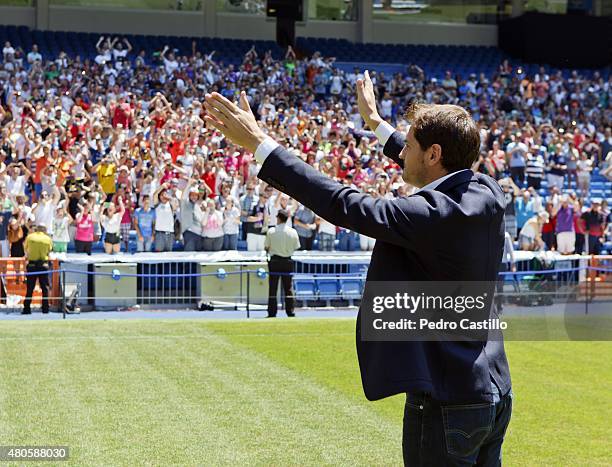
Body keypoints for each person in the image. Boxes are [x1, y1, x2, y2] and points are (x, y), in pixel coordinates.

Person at [203, 69, 512, 465]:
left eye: (411, 145)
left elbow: (344, 203)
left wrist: (261, 145)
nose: (402, 152)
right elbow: (432, 161)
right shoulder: (486, 191)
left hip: (447, 399)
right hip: (494, 391)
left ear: (433, 154)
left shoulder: (428, 215)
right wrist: (377, 125)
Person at [264, 209, 300, 318]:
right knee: (288, 288)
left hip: (275, 261)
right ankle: (290, 311)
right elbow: (296, 246)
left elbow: (266, 247)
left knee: (273, 288)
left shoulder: (271, 231)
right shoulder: (292, 232)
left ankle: (272, 312)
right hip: (287, 261)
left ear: (278, 218)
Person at [22, 224, 53, 315]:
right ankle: (45, 309)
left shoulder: (30, 237)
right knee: (45, 288)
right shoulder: (47, 239)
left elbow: (26, 249)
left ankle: (27, 308)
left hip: (32, 265)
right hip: (43, 265)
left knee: (30, 288)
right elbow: (49, 250)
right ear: (45, 230)